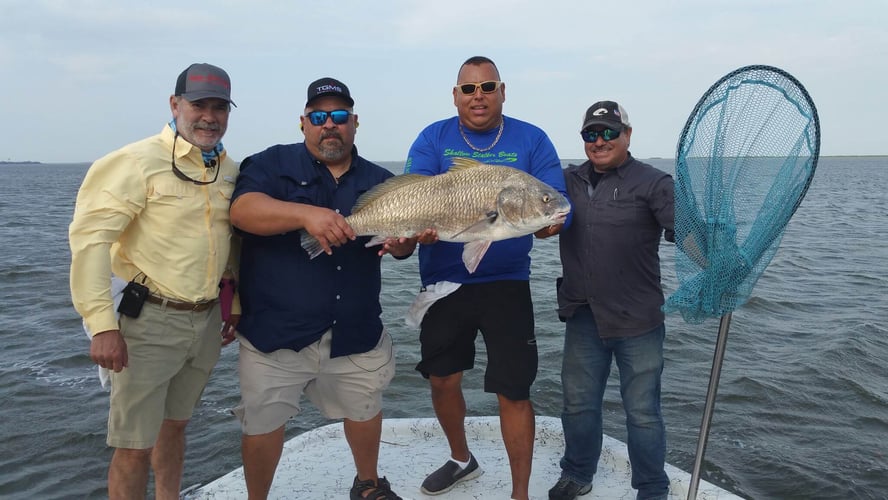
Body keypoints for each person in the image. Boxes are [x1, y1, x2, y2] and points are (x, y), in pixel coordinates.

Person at [229, 77, 414, 500]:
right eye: (319, 116)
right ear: (303, 123)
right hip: (276, 331)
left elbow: (399, 245)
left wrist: (402, 245)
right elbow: (242, 212)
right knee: (262, 422)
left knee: (365, 408)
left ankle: (368, 485)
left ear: (354, 122)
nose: (329, 125)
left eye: (339, 116)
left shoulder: (382, 180)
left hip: (355, 328)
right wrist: (306, 215)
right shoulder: (270, 164)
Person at [68, 63, 241, 499]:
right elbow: (90, 243)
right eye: (199, 104)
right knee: (132, 446)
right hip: (147, 321)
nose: (209, 116)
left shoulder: (230, 170)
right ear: (174, 104)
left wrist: (231, 305)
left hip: (203, 323)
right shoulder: (133, 162)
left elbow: (227, 248)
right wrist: (103, 325)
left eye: (219, 107)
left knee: (176, 426)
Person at [403, 56, 569, 500]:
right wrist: (413, 229)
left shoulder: (532, 140)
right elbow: (413, 193)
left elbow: (558, 203)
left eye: (488, 87)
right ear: (456, 95)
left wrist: (553, 221)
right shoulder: (432, 138)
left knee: (514, 389)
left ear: (502, 91)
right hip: (443, 282)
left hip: (507, 285)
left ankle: (519, 493)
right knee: (442, 378)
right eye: (469, 89)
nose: (479, 96)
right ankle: (462, 459)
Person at [550, 101, 674, 500]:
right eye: (591, 134)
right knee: (578, 405)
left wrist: (716, 256)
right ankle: (578, 472)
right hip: (583, 315)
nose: (599, 141)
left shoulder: (654, 182)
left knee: (642, 413)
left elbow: (685, 229)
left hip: (639, 320)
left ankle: (653, 487)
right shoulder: (563, 181)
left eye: (608, 132)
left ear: (627, 135)